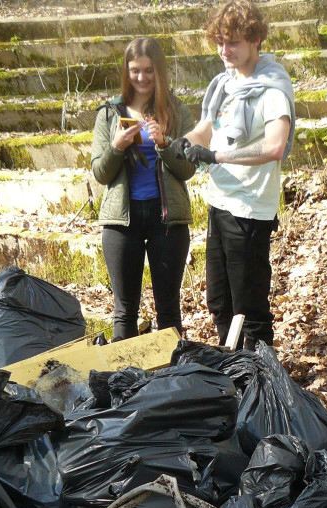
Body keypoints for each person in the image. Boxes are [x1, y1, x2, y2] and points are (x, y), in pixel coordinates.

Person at [178, 0, 296, 351]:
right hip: (219, 203)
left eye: (233, 43)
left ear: (255, 39)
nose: (224, 51)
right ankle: (233, 372)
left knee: (250, 310)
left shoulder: (272, 89)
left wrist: (216, 156)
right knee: (220, 303)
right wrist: (186, 141)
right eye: (220, 42)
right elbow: (205, 128)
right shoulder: (224, 84)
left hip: (249, 211)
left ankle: (262, 376)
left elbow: (275, 146)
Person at [91, 37, 197, 341]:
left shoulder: (177, 111)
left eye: (149, 70)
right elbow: (100, 173)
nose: (141, 77)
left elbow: (188, 169)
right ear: (126, 71)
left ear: (159, 71)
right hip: (122, 222)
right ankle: (125, 371)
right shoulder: (109, 113)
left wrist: (164, 144)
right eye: (135, 70)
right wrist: (116, 147)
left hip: (167, 220)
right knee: (125, 311)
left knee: (169, 309)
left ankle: (173, 370)